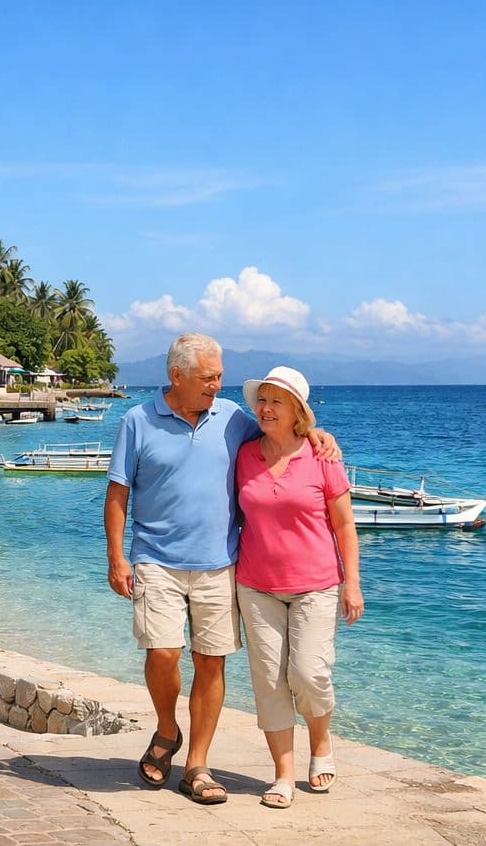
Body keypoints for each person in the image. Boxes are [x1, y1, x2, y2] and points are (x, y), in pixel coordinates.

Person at [103, 333, 337, 806]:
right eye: (209, 376)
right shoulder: (137, 421)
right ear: (177, 376)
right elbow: (118, 493)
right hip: (155, 559)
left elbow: (282, 431)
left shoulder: (233, 419)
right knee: (163, 653)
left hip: (220, 564)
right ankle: (168, 730)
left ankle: (197, 766)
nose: (218, 384)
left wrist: (316, 433)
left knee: (211, 661)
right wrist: (116, 557)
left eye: (220, 375)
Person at [234, 366, 362, 810]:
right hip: (255, 585)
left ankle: (321, 742)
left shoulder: (323, 456)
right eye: (262, 400)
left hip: (316, 585)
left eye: (277, 401)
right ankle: (284, 774)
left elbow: (344, 523)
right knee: (269, 682)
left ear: (298, 412)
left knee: (309, 674)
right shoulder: (244, 453)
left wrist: (353, 585)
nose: (266, 409)